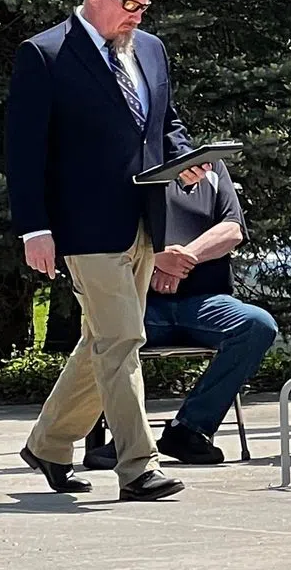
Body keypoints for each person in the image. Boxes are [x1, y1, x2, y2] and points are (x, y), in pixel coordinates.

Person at [5, 0, 201, 502]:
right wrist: (33, 230)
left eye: (144, 5)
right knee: (122, 341)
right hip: (85, 226)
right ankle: (138, 466)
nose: (137, 14)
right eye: (129, 3)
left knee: (102, 340)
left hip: (145, 221)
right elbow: (24, 154)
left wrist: (186, 157)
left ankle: (48, 443)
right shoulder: (43, 55)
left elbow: (166, 121)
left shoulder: (152, 50)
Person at [84, 159, 280, 470]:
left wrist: (184, 259)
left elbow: (232, 229)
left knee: (257, 325)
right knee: (107, 329)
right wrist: (156, 260)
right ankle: (127, 440)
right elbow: (104, 233)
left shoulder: (212, 168)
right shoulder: (136, 170)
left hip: (205, 302)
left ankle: (190, 430)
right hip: (142, 303)